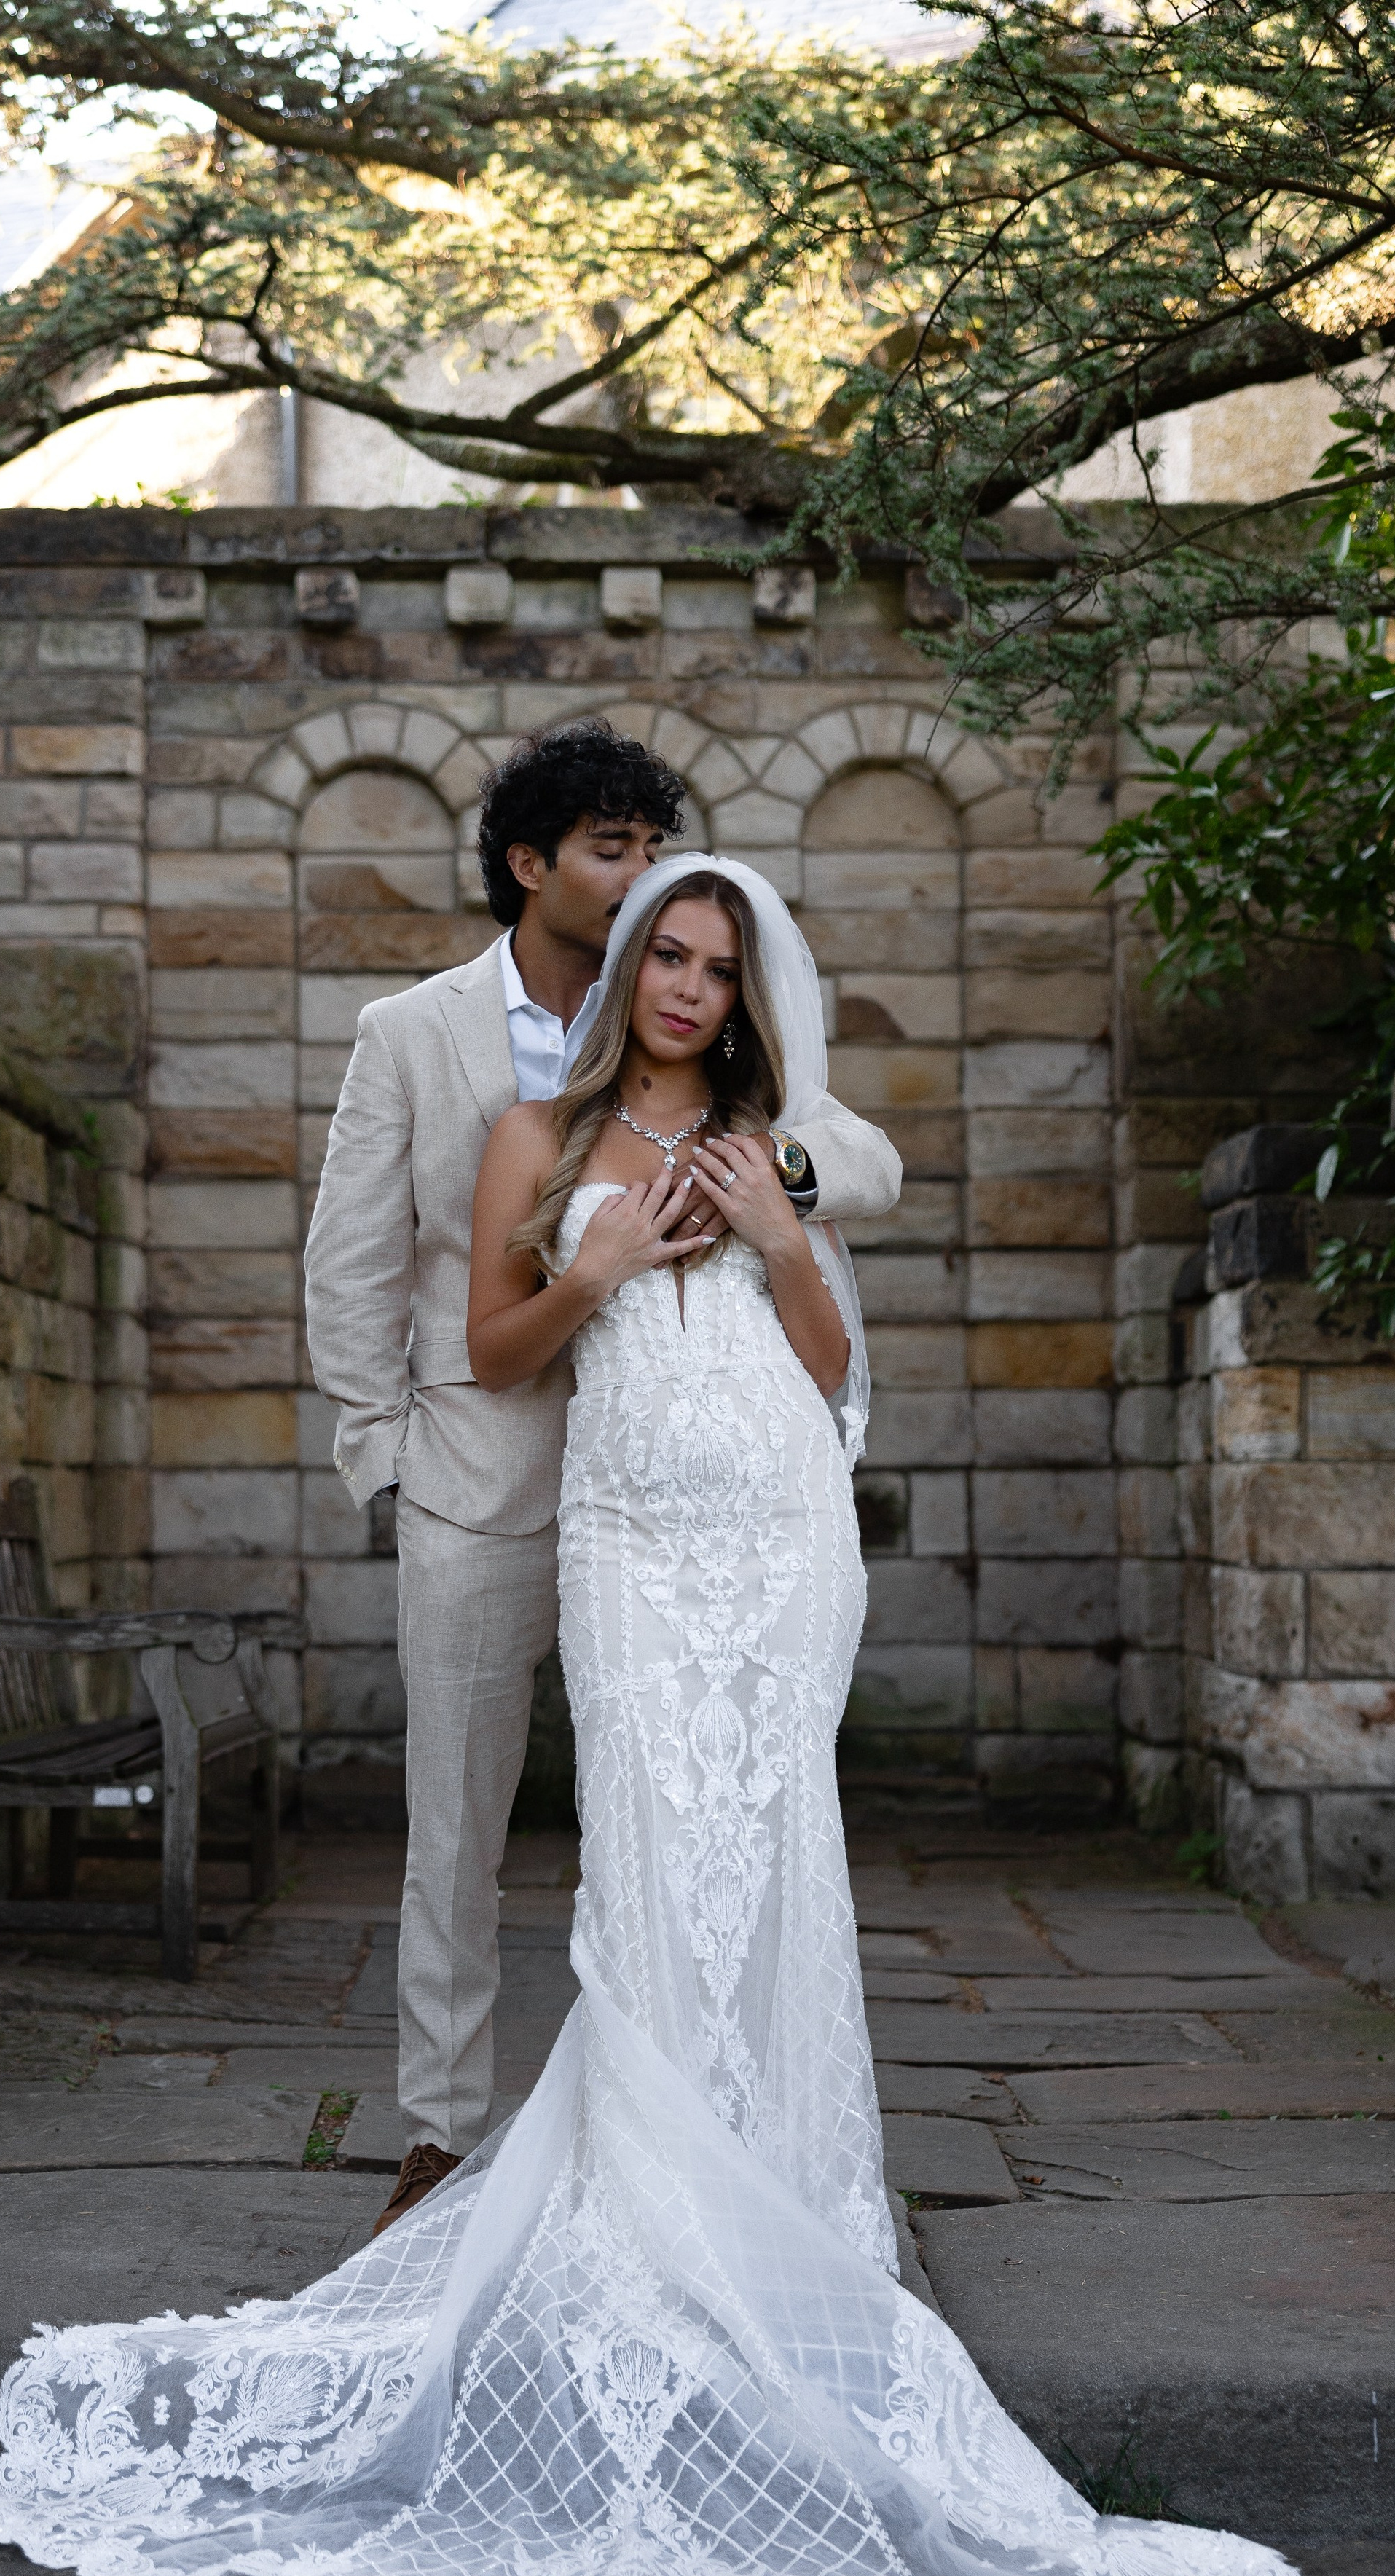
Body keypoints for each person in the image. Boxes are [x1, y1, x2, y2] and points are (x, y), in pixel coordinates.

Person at [0, 855, 1310, 2576]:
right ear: (625, 973)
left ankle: (779, 2222)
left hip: (779, 1539)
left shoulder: (781, 1142)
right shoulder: (535, 1134)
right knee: (648, 1884)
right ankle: (651, 2256)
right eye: (663, 957)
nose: (687, 986)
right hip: (625, 1542)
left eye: (716, 963)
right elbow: (499, 1350)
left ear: (751, 988)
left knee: (772, 1878)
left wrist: (774, 1238)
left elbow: (841, 1381)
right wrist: (595, 1264)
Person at [297, 718, 900, 2236]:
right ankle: (440, 2137)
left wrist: (783, 1202)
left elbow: (864, 1170)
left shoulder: (740, 1077)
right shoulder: (416, 1035)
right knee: (458, 1831)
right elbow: (354, 1264)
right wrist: (385, 1460)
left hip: (724, 1499)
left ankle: (732, 2147)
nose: (646, 887)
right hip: (487, 1493)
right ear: (533, 864)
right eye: (615, 852)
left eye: (655, 853)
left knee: (707, 1829)